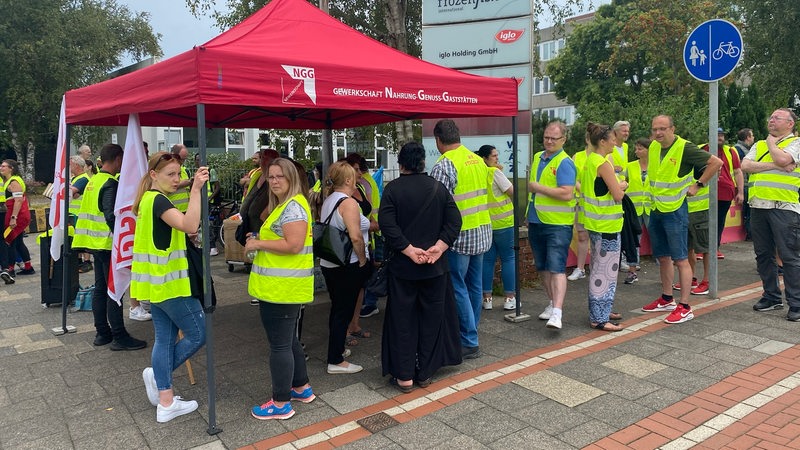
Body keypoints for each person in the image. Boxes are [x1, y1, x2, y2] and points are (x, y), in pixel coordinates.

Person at [130, 151, 209, 423]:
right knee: (199, 333)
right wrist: (196, 189)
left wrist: (190, 185)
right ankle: (158, 377)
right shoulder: (159, 201)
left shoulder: (147, 199)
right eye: (170, 175)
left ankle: (165, 399)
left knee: (164, 338)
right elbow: (190, 225)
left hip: (155, 284)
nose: (177, 180)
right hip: (170, 284)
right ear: (154, 175)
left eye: (179, 174)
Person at [379, 142, 462, 391]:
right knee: (431, 319)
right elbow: (454, 220)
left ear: (401, 163)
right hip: (434, 267)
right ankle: (424, 372)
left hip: (403, 268)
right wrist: (439, 247)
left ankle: (404, 376)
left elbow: (387, 224)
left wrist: (408, 249)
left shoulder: (392, 189)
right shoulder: (438, 188)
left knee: (402, 321)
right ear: (423, 162)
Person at [242, 158, 316, 419]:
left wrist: (258, 245)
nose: (274, 181)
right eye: (271, 176)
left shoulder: (293, 207)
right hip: (282, 287)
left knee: (280, 346)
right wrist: (261, 240)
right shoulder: (288, 205)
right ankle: (301, 387)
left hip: (282, 289)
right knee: (288, 341)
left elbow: (294, 245)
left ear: (292, 178)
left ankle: (281, 402)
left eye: (280, 177)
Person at [640, 115, 722, 324]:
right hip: (656, 209)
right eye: (655, 129)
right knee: (663, 257)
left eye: (662, 129)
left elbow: (715, 162)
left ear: (672, 129)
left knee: (680, 259)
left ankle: (685, 306)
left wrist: (698, 185)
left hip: (675, 210)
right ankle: (667, 298)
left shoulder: (684, 147)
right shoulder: (654, 147)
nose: (658, 133)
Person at [73, 144, 147, 350]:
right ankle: (119, 336)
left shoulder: (94, 180)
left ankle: (102, 332)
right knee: (115, 289)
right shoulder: (109, 183)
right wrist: (121, 236)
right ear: (117, 159)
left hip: (93, 243)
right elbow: (109, 215)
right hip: (107, 244)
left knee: (101, 288)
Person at [430, 119, 491, 359]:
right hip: (482, 229)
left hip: (458, 236)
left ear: (438, 140)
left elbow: (437, 206)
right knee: (474, 285)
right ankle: (470, 330)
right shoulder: (478, 160)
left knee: (457, 286)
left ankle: (468, 339)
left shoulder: (444, 165)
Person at [742, 108, 800, 321]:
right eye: (771, 118)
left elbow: (785, 160)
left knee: (790, 257)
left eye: (777, 118)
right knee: (763, 255)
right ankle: (771, 296)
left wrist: (772, 145)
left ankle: (796, 303)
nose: (771, 121)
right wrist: (776, 163)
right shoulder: (759, 145)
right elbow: (745, 165)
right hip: (758, 206)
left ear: (790, 124)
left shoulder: (796, 143)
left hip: (784, 208)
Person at [319, 161, 369, 374]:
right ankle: (335, 360)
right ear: (348, 180)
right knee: (343, 311)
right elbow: (356, 236)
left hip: (329, 263)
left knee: (337, 308)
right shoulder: (348, 203)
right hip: (346, 264)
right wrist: (362, 260)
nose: (358, 179)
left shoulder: (329, 199)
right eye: (354, 176)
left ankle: (336, 349)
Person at [527, 121, 577, 330]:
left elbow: (567, 193)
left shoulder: (565, 162)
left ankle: (557, 312)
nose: (548, 141)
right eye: (546, 137)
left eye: (553, 138)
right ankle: (551, 303)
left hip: (557, 224)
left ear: (563, 140)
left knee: (556, 267)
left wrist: (539, 188)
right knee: (543, 267)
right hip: (536, 220)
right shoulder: (538, 157)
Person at [581, 123, 627, 332]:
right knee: (605, 272)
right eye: (612, 139)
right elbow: (617, 194)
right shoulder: (603, 163)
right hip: (607, 224)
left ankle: (602, 310)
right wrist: (622, 185)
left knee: (599, 269)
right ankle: (599, 318)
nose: (615, 142)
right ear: (602, 141)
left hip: (595, 223)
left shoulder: (590, 160)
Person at [475, 145, 516, 311]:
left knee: (488, 261)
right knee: (508, 259)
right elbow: (512, 191)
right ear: (485, 158)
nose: (497, 158)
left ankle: (487, 299)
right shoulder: (495, 173)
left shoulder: (479, 173)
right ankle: (509, 298)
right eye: (493, 156)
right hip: (504, 223)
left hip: (486, 223)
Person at [343, 154, 378, 345]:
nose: (360, 172)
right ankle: (346, 329)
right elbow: (353, 224)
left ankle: (355, 324)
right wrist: (374, 226)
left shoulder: (361, 188)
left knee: (361, 287)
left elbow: (369, 212)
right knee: (349, 290)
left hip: (365, 244)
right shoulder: (341, 194)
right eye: (355, 169)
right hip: (349, 249)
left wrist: (372, 223)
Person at [240, 149, 280, 305]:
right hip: (252, 224)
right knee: (255, 258)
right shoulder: (258, 174)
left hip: (265, 225)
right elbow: (246, 185)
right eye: (261, 157)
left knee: (264, 259)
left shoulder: (274, 178)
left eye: (265, 158)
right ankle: (259, 288)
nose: (261, 160)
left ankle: (265, 290)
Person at [700, 128, 744, 259]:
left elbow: (737, 171)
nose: (720, 138)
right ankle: (701, 249)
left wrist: (740, 192)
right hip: (704, 192)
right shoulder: (701, 150)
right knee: (702, 221)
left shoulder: (730, 151)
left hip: (725, 192)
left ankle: (715, 248)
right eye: (717, 135)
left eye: (721, 135)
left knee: (719, 222)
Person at [621, 138, 652, 284]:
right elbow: (621, 181)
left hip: (652, 207)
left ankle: (665, 267)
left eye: (640, 148)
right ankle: (633, 269)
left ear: (648, 150)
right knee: (634, 238)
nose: (636, 151)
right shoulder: (630, 166)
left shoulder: (656, 166)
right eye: (636, 148)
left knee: (658, 237)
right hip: (634, 208)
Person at [0, 160, 34, 276]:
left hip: (18, 214)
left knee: (10, 241)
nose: (1, 168)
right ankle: (28, 267)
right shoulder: (9, 181)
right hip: (15, 213)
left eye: (4, 166)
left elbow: (18, 200)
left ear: (11, 168)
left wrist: (13, 217)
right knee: (18, 242)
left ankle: (10, 269)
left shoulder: (14, 182)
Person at [567, 139, 591, 282]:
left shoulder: (606, 156)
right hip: (580, 200)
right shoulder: (578, 156)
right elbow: (572, 177)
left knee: (597, 237)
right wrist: (582, 189)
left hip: (598, 203)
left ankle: (597, 268)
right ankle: (580, 268)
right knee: (582, 235)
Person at [193, 153, 221, 256]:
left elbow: (217, 187)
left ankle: (212, 246)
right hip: (199, 202)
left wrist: (209, 198)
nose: (198, 161)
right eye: (196, 160)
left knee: (208, 224)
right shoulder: (196, 172)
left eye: (200, 159)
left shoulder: (210, 171)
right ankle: (203, 245)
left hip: (208, 203)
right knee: (200, 224)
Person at [734, 128, 755, 239]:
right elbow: (741, 168)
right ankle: (750, 234)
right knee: (749, 211)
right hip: (745, 184)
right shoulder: (739, 150)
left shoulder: (744, 149)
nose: (753, 138)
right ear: (747, 137)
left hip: (747, 184)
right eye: (752, 136)